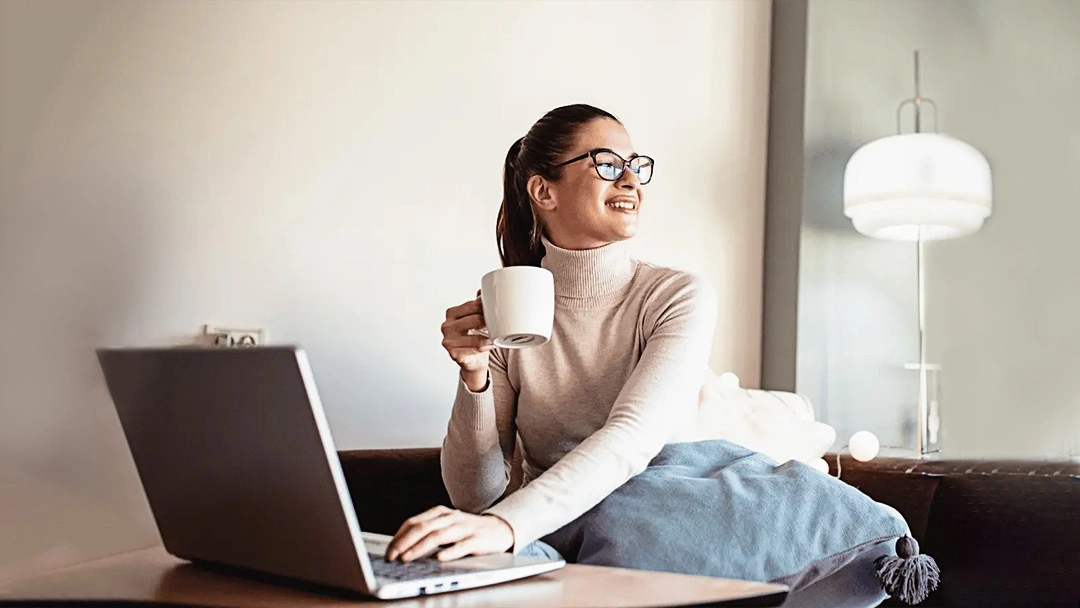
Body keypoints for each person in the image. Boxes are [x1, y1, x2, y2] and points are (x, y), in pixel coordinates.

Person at [385, 103, 717, 563]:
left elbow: (633, 436)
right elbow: (474, 497)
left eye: (635, 165)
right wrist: (475, 377)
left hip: (665, 522)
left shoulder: (675, 295)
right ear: (543, 191)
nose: (630, 180)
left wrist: (506, 525)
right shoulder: (510, 313)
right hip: (557, 530)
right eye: (608, 164)